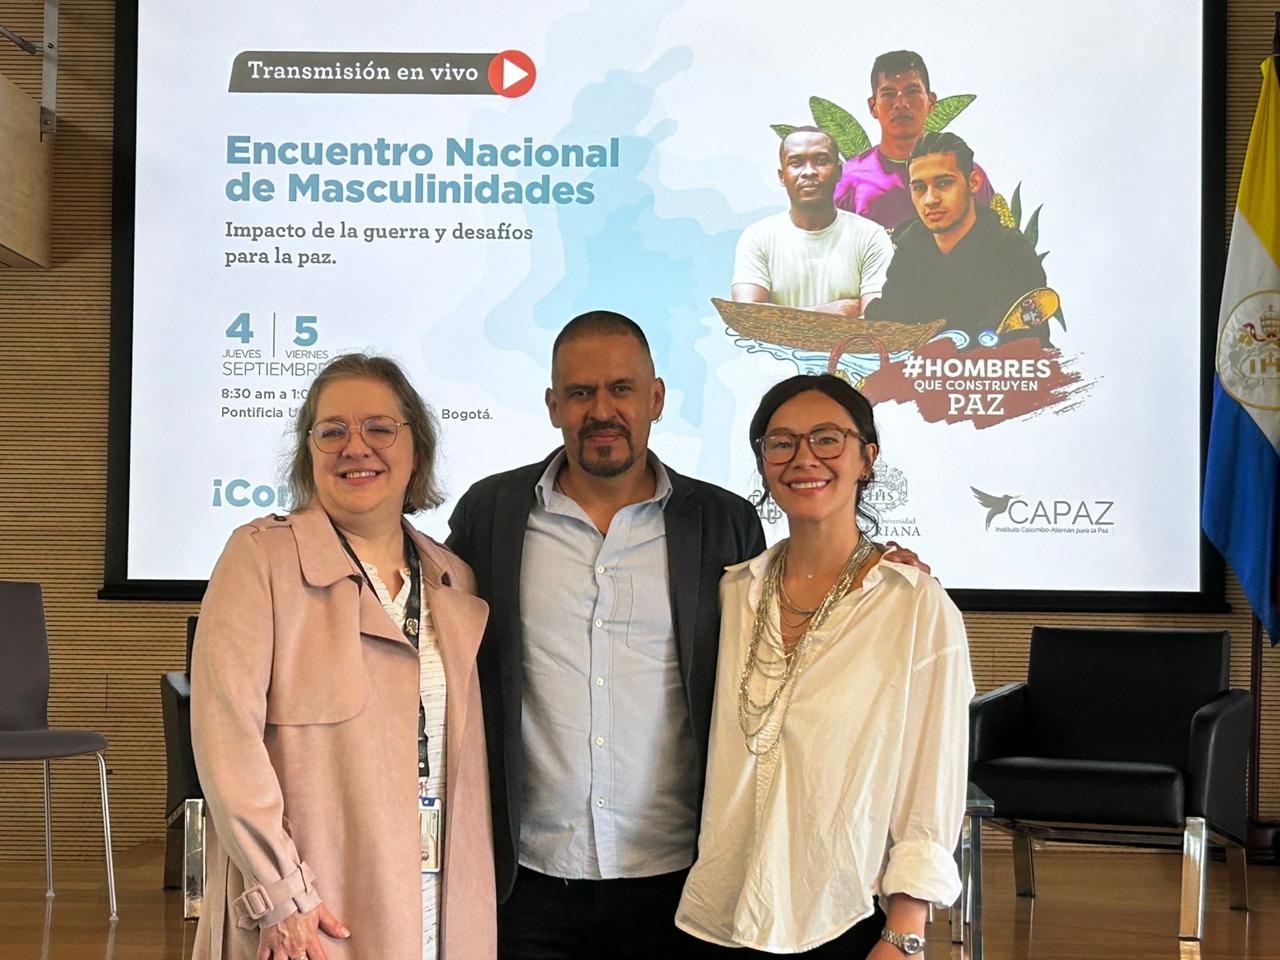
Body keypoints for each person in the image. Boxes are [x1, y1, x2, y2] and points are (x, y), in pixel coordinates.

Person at [446, 311, 928, 960]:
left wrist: (873, 571)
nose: (602, 409)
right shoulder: (493, 512)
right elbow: (426, 604)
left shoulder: (723, 522)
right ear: (553, 405)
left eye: (621, 389)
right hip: (528, 881)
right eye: (581, 392)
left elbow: (788, 638)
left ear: (656, 399)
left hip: (682, 884)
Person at [191, 354, 496, 960]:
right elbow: (227, 742)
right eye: (333, 431)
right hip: (314, 909)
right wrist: (282, 897)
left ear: (416, 447)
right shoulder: (261, 558)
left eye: (379, 428)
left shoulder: (450, 578)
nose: (356, 448)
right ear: (309, 451)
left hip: (438, 895)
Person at [676, 373, 974, 958]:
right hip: (722, 911)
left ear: (867, 457)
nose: (804, 458)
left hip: (844, 915)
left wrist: (906, 931)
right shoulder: (735, 593)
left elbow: (932, 778)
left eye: (827, 439)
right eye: (781, 443)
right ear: (763, 463)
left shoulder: (914, 605)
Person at [863, 131, 1050, 350]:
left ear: (973, 182)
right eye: (919, 188)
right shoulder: (910, 250)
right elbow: (889, 322)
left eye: (943, 183)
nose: (930, 199)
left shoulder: (1011, 253)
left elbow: (1022, 345)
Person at [732, 127, 892, 316]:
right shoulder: (758, 237)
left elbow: (876, 320)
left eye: (821, 161)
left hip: (852, 347)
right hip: (770, 348)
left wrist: (781, 318)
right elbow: (747, 315)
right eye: (796, 163)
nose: (809, 172)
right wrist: (828, 312)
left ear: (839, 172)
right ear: (782, 176)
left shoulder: (870, 236)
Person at [835, 50, 994, 231]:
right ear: (873, 107)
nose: (901, 103)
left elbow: (998, 246)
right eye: (889, 94)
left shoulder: (965, 173)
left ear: (931, 102)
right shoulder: (847, 181)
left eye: (912, 91)